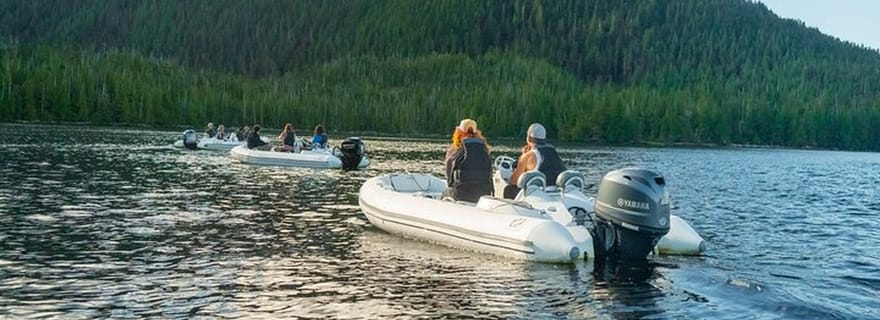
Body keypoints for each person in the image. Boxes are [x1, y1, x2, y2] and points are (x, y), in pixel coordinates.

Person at [505, 123, 566, 199]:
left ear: (529, 138)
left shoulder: (527, 155)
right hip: (556, 192)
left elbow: (513, 181)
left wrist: (522, 156)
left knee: (508, 189)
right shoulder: (554, 152)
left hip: (538, 194)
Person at [442, 119, 493, 202]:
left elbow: (449, 179)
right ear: (476, 133)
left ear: (458, 132)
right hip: (483, 195)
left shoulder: (454, 151)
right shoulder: (484, 150)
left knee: (445, 192)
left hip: (461, 195)